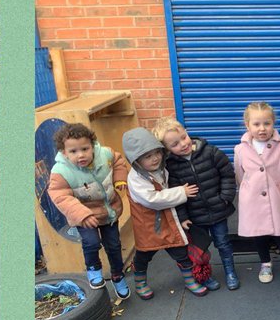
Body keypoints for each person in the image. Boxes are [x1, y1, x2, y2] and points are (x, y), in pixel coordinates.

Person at [155, 116, 239, 290]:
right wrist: (183, 216)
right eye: (175, 144)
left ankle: (230, 271)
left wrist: (225, 196)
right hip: (195, 216)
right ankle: (204, 276)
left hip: (218, 209)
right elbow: (176, 193)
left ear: (187, 133)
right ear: (167, 149)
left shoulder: (210, 152)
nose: (183, 144)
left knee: (223, 243)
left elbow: (228, 174)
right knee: (199, 249)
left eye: (183, 137)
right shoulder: (172, 166)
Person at [233, 103, 280, 294]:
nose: (262, 128)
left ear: (273, 123)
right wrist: (247, 194)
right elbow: (240, 175)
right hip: (252, 201)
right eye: (256, 124)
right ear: (247, 125)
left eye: (267, 123)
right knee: (259, 235)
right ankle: (265, 262)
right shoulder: (240, 149)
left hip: (276, 199)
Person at [45, 122, 126, 293]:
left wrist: (119, 179)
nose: (81, 155)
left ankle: (118, 275)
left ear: (92, 146)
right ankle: (93, 269)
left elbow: (118, 160)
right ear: (63, 152)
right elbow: (60, 196)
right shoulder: (61, 171)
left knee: (114, 245)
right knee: (91, 243)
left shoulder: (104, 155)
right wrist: (82, 215)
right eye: (73, 151)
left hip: (109, 211)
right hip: (84, 215)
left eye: (85, 149)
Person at [120, 127, 197, 299]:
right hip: (148, 223)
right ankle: (140, 280)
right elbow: (152, 200)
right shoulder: (136, 178)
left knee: (179, 249)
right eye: (148, 156)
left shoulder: (160, 168)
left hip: (167, 219)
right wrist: (181, 193)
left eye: (157, 153)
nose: (155, 158)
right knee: (145, 252)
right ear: (136, 160)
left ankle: (190, 279)